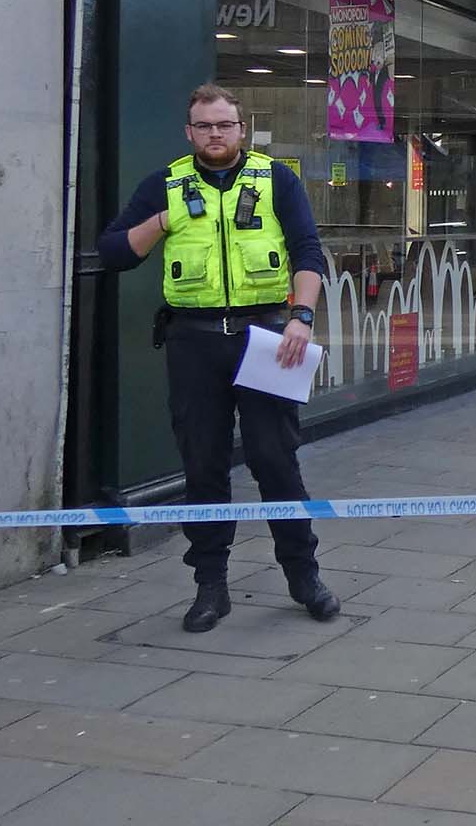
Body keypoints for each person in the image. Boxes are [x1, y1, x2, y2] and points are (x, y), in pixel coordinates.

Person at [97, 84, 340, 634]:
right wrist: (163, 220)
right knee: (203, 466)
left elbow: (306, 250)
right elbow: (113, 253)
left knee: (276, 461)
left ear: (240, 129)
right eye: (204, 126)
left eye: (224, 125)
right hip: (194, 341)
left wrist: (301, 316)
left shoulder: (276, 178)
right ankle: (211, 586)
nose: (215, 135)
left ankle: (304, 577)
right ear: (190, 132)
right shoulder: (166, 183)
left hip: (266, 337)